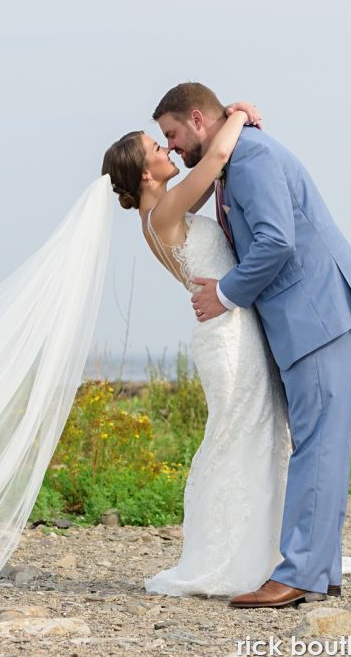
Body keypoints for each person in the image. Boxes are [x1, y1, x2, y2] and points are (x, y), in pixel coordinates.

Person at [152, 82, 351, 608]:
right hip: (308, 316)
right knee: (318, 444)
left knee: (317, 446)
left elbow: (276, 240)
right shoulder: (234, 154)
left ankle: (300, 574)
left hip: (318, 314)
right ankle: (316, 570)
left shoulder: (251, 156)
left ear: (195, 118)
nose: (169, 146)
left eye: (170, 134)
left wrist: (227, 295)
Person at [101, 103, 294, 598]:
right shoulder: (162, 211)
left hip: (229, 329)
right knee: (241, 435)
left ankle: (262, 547)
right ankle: (238, 556)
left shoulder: (162, 211)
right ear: (145, 172)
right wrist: (240, 112)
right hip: (228, 336)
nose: (167, 148)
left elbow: (213, 171)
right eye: (156, 147)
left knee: (253, 433)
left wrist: (226, 128)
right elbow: (216, 158)